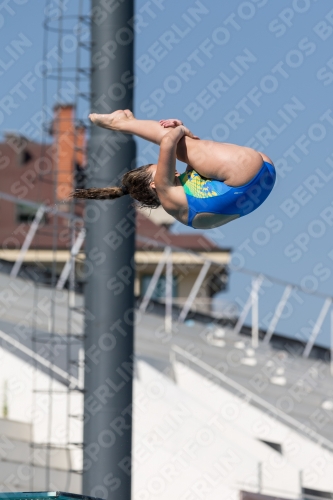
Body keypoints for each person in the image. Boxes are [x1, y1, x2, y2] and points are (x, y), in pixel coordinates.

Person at [72, 110, 276, 230]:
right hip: (245, 175)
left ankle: (125, 123)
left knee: (184, 146)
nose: (173, 171)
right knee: (176, 144)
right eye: (158, 168)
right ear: (153, 183)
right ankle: (122, 124)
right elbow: (168, 142)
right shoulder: (164, 189)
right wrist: (181, 129)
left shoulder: (183, 195)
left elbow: (200, 157)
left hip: (262, 179)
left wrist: (183, 131)